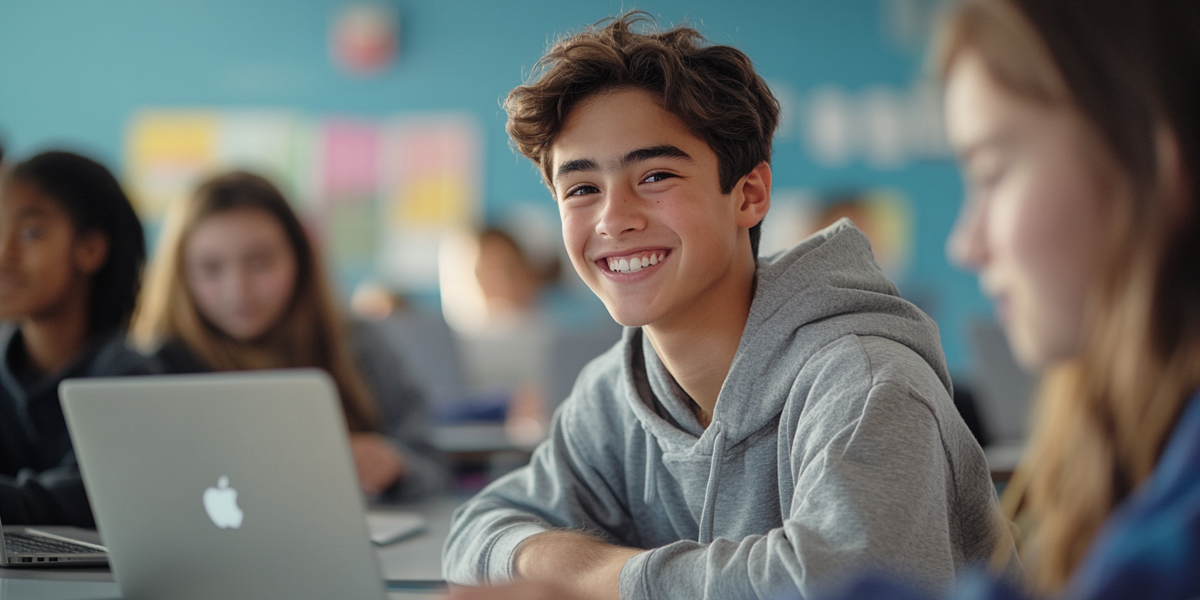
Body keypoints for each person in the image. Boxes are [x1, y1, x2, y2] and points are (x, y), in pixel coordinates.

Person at [442, 12, 1005, 600]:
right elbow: (474, 535)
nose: (613, 218)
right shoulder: (614, 392)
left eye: (656, 175)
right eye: (582, 189)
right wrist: (550, 555)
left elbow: (836, 587)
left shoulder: (865, 384)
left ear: (750, 195)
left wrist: (590, 575)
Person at [132, 170, 447, 501]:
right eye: (211, 269)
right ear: (181, 276)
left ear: (300, 258)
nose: (238, 289)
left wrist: (397, 463)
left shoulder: (358, 345)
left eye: (261, 263)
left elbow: (434, 463)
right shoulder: (153, 366)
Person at [0, 150, 159, 527]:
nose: (3, 254)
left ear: (89, 249)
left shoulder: (132, 379)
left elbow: (90, 497)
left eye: (29, 233)